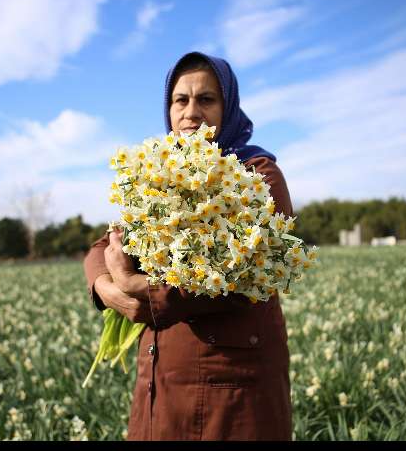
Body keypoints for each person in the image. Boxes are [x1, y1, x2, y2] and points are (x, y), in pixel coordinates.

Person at [83, 51, 294, 441]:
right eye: (180, 100)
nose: (191, 112)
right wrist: (105, 288)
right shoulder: (159, 170)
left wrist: (147, 293)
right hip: (161, 377)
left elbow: (243, 273)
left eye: (206, 99)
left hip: (233, 384)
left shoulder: (257, 173)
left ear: (227, 106)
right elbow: (104, 244)